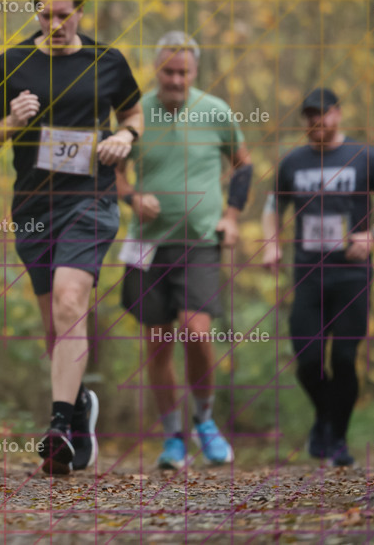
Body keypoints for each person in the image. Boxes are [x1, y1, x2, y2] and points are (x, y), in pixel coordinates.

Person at [0, 0, 143, 475]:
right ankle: (78, 410)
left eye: (63, 15)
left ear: (80, 12)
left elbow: (135, 114)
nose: (54, 24)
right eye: (44, 15)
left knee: (73, 300)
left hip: (91, 198)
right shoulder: (12, 63)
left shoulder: (107, 61)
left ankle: (57, 424)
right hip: (32, 207)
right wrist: (12, 121)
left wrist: (125, 138)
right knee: (55, 322)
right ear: (35, 13)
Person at [115, 31, 251, 470]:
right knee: (157, 342)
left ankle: (206, 423)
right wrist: (133, 198)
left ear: (194, 73)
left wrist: (231, 217)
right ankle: (173, 437)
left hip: (200, 243)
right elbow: (114, 174)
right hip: (148, 246)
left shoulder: (215, 112)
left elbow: (243, 165)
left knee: (196, 332)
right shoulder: (136, 114)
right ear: (158, 70)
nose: (176, 79)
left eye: (184, 73)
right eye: (169, 71)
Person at [262, 87, 374, 467]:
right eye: (310, 115)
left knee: (344, 358)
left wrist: (373, 235)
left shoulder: (365, 156)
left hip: (351, 275)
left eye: (323, 114)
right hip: (308, 275)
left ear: (338, 114)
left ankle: (338, 440)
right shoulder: (292, 162)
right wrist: (271, 244)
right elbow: (272, 205)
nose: (317, 121)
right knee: (308, 360)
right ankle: (325, 417)